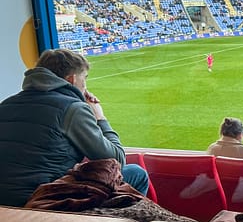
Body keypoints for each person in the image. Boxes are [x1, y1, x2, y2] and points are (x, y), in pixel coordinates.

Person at [0, 48, 149, 207]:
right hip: (40, 199)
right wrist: (100, 117)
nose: (85, 85)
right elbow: (117, 160)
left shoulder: (5, 104)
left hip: (4, 200)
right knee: (136, 173)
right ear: (71, 80)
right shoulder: (73, 109)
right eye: (84, 78)